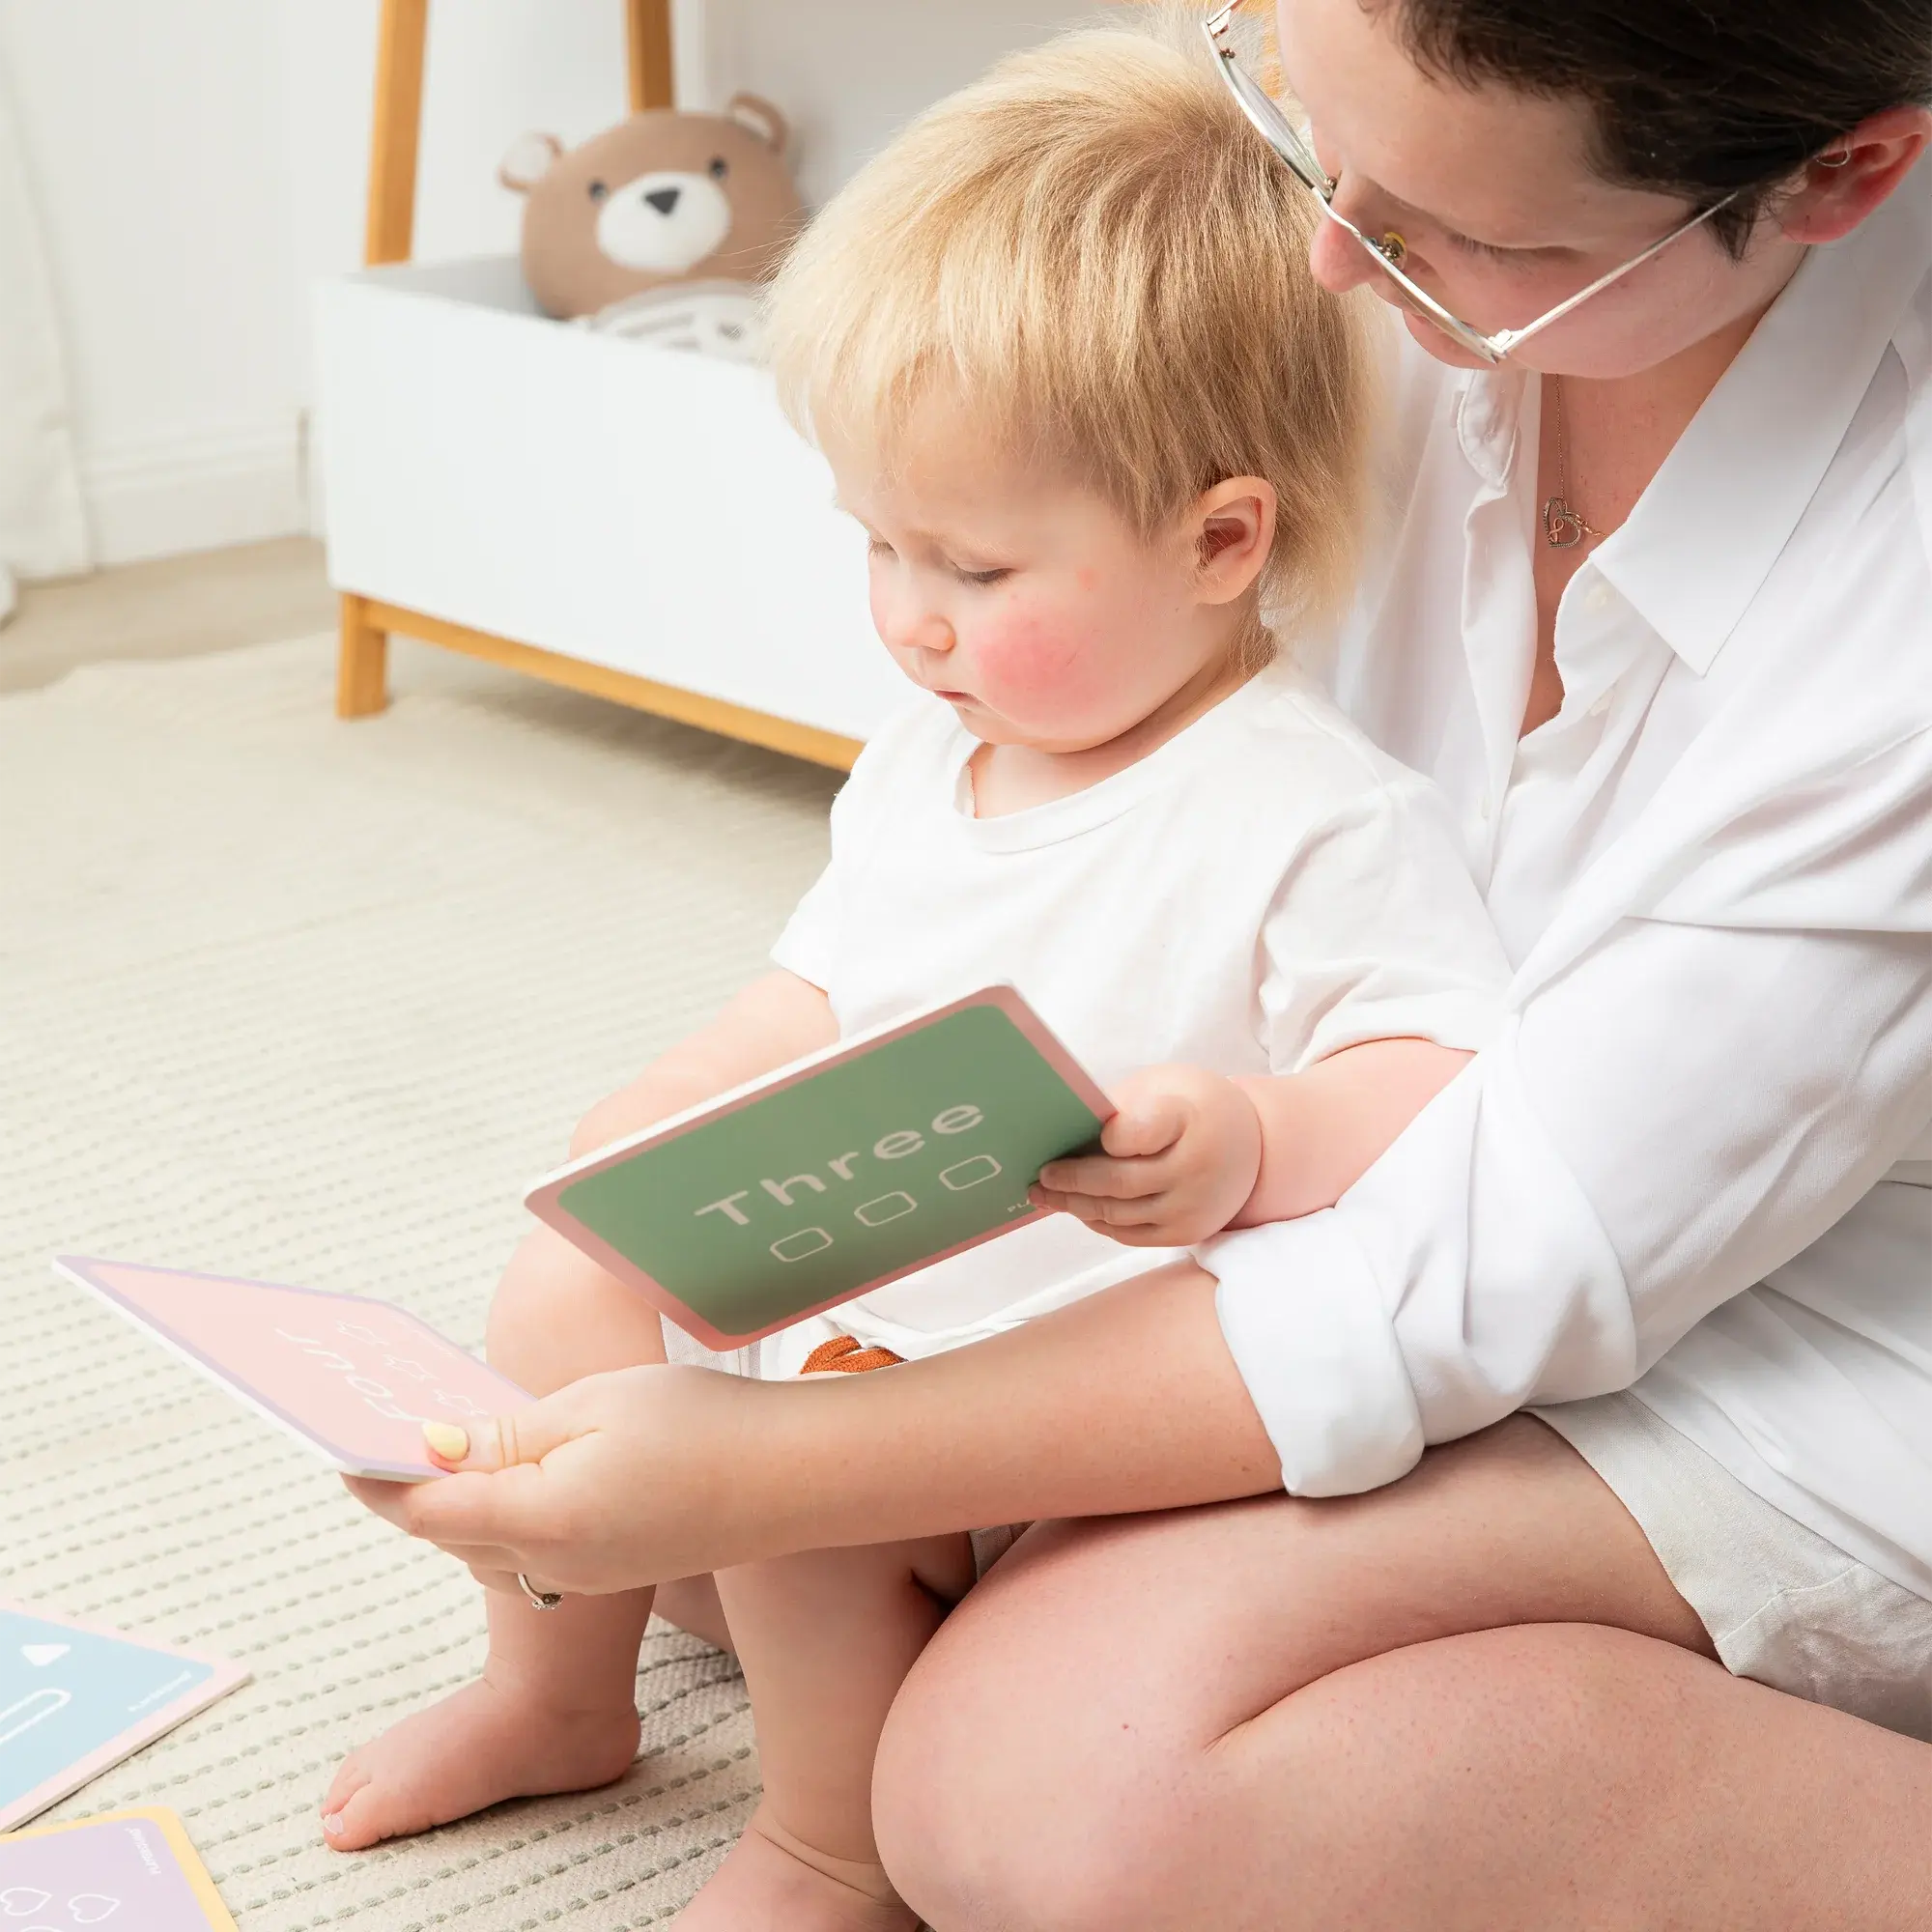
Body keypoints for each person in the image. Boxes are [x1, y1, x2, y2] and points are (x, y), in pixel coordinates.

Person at [347, 0, 1932, 1922]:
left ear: (1847, 172)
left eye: (1465, 241)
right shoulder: (1304, 254)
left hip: (1801, 1306)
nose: (1331, 260)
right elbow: (873, 934)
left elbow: (1479, 1238)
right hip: (1362, 1225)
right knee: (668, 1467)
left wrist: (796, 1459)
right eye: (1300, 124)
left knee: (1028, 1777)